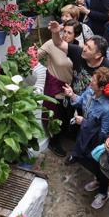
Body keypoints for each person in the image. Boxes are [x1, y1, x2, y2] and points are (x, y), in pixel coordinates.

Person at [62, 67, 109, 210]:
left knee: (100, 167)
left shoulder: (108, 108)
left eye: (93, 80)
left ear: (102, 87)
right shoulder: (90, 91)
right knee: (84, 159)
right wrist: (72, 95)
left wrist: (85, 123)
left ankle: (103, 193)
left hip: (97, 142)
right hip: (84, 135)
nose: (90, 81)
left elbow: (104, 133)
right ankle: (98, 180)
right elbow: (81, 101)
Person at [38, 21, 75, 157]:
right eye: (63, 31)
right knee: (53, 114)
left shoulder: (78, 49)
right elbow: (34, 56)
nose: (65, 35)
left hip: (71, 88)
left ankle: (67, 134)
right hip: (54, 86)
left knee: (67, 114)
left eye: (69, 32)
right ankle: (54, 142)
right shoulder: (51, 43)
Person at [48, 20, 109, 95]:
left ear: (98, 55)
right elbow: (58, 43)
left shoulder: (107, 68)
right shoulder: (78, 52)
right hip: (71, 98)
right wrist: (55, 32)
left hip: (90, 105)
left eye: (89, 48)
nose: (84, 49)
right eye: (86, 44)